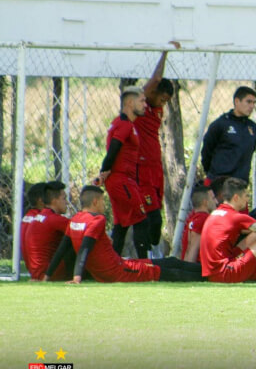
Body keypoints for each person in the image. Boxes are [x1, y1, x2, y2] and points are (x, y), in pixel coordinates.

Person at [45, 186, 203, 284]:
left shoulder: (75, 220)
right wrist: (77, 278)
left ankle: (207, 272)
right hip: (118, 271)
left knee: (170, 262)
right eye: (102, 201)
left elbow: (62, 249)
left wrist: (47, 276)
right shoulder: (97, 220)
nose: (104, 205)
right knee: (169, 271)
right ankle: (209, 276)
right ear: (95, 202)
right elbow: (85, 247)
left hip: (119, 266)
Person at [135, 41, 180, 259]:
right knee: (149, 217)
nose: (163, 103)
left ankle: (152, 255)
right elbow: (155, 80)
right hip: (141, 169)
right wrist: (166, 52)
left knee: (156, 217)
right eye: (162, 98)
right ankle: (148, 257)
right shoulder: (141, 105)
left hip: (155, 169)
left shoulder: (157, 109)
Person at [98, 86, 150, 259]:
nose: (145, 105)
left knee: (121, 225)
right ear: (129, 102)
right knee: (141, 219)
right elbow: (113, 149)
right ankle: (146, 265)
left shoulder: (123, 123)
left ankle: (112, 264)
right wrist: (103, 172)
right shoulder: (124, 124)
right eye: (142, 101)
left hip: (121, 180)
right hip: (122, 181)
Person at [201, 86, 256, 183]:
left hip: (240, 182)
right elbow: (207, 151)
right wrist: (213, 174)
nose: (252, 106)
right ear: (237, 101)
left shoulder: (253, 127)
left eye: (254, 103)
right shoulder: (221, 124)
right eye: (248, 102)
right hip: (219, 182)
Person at [24, 181, 71, 281]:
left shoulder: (39, 216)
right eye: (64, 198)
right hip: (49, 274)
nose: (67, 202)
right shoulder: (55, 219)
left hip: (36, 272)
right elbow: (83, 229)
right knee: (81, 239)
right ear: (54, 200)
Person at [181, 185, 217, 263]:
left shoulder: (193, 218)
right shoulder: (203, 219)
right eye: (213, 198)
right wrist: (188, 271)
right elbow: (193, 249)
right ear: (205, 202)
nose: (216, 202)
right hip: (196, 269)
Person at [21, 182, 47, 267]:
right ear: (41, 200)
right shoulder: (43, 218)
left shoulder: (29, 215)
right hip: (43, 268)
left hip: (33, 268)